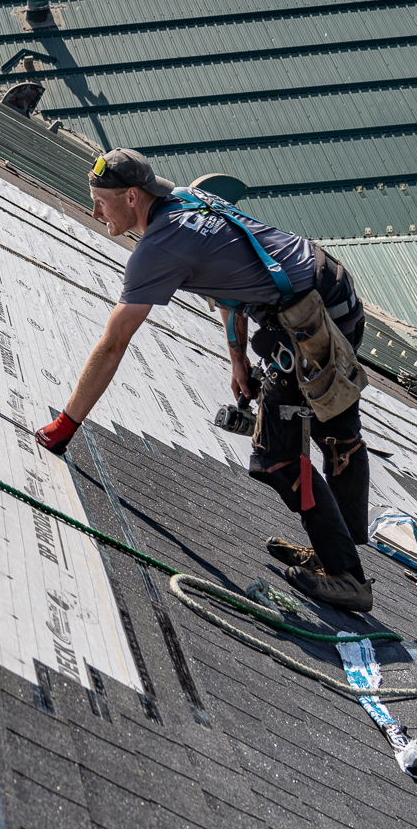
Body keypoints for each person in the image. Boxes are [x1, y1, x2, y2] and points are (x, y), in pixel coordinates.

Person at [37, 149, 373, 611]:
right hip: (327, 288)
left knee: (275, 458)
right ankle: (340, 550)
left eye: (100, 201)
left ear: (132, 197)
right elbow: (229, 282)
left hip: (311, 322)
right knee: (333, 437)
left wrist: (66, 425)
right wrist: (237, 360)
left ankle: (347, 576)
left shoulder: (158, 248)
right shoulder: (184, 197)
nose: (94, 212)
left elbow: (114, 344)